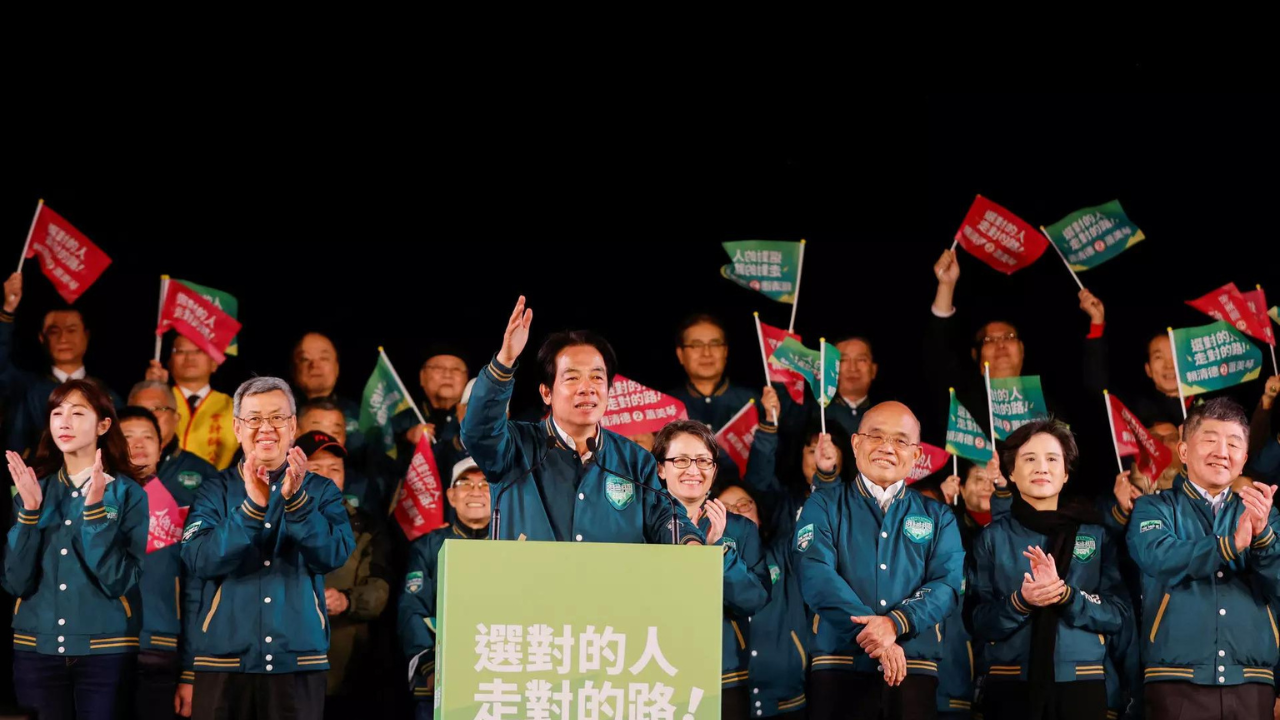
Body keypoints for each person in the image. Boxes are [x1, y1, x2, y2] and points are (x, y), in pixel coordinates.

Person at [460, 296, 701, 544]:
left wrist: (689, 540)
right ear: (546, 392)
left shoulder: (634, 461)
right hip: (529, 582)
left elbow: (665, 517)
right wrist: (504, 362)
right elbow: (478, 431)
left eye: (597, 378)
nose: (587, 388)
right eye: (572, 378)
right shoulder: (514, 447)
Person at [180, 377, 355, 719]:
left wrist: (297, 502)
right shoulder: (214, 491)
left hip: (298, 659)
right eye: (254, 418)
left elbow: (333, 554)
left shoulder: (320, 491)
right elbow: (199, 559)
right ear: (236, 427)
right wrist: (251, 510)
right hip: (223, 662)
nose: (266, 428)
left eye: (276, 418)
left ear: (292, 427)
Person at [797, 401, 964, 720]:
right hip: (838, 667)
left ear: (916, 454)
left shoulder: (939, 516)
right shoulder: (823, 504)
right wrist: (878, 637)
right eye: (876, 436)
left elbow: (947, 584)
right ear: (856, 443)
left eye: (901, 440)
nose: (888, 447)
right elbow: (815, 574)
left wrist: (895, 623)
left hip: (914, 668)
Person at [4, 379, 148, 720]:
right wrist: (28, 513)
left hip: (106, 650)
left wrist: (95, 509)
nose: (64, 422)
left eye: (77, 412)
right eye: (57, 413)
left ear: (103, 424)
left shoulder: (127, 493)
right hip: (36, 648)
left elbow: (119, 580)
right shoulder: (32, 490)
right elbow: (15, 582)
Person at [1128, 397, 1280, 719]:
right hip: (1175, 681)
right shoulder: (1153, 507)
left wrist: (1263, 537)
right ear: (1183, 451)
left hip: (1253, 681)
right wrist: (1229, 545)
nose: (1221, 452)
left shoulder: (1263, 514)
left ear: (1244, 459)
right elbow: (1158, 556)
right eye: (1209, 440)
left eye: (1233, 443)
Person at [969, 418, 1130, 720]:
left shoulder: (1095, 534)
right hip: (1009, 683)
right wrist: (1021, 602)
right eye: (1029, 459)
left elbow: (1117, 614)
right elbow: (977, 621)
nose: (1041, 467)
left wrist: (1067, 596)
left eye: (1052, 459)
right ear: (1012, 473)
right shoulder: (992, 537)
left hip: (1081, 682)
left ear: (1066, 472)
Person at [723, 387, 829, 718]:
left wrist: (825, 475)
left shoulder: (785, 552)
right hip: (727, 697)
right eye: (727, 509)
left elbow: (822, 518)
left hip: (788, 699)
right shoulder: (700, 561)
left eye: (745, 505)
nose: (738, 513)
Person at [653, 420, 770, 719]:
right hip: (654, 668)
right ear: (661, 469)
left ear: (714, 469)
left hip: (724, 670)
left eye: (704, 461)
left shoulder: (740, 529)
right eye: (680, 460)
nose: (694, 470)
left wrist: (717, 554)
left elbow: (754, 599)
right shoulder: (641, 521)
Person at [293, 430, 392, 714]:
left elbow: (379, 585)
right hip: (280, 668)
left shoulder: (366, 526)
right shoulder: (270, 519)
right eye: (315, 468)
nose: (326, 476)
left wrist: (347, 600)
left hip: (344, 668)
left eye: (334, 469)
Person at [118, 406, 204, 720]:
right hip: (96, 649)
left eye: (148, 437)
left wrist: (190, 672)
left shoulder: (177, 511)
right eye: (127, 437)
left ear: (160, 447)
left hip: (158, 647)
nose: (139, 444)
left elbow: (194, 594)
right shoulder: (90, 502)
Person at [398, 458, 491, 719]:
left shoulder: (513, 543)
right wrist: (429, 666)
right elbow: (412, 609)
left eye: (485, 483)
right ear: (451, 496)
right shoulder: (427, 547)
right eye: (465, 483)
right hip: (440, 677)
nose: (475, 491)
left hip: (499, 675)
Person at [0, 273, 121, 456]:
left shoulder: (105, 394)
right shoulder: (27, 388)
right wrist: (7, 311)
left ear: (86, 336)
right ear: (42, 338)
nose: (63, 338)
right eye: (54, 331)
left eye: (71, 330)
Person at [144, 334, 238, 469]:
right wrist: (150, 389)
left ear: (214, 363)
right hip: (162, 483)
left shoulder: (235, 407)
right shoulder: (159, 401)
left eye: (199, 350)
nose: (189, 357)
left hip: (215, 486)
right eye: (180, 351)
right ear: (169, 362)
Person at [127, 381, 221, 496]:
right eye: (140, 410)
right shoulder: (109, 469)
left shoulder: (204, 472)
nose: (149, 416)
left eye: (157, 408)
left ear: (176, 418)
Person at [291, 332, 362, 451]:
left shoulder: (359, 414)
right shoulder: (281, 414)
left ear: (337, 367)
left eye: (324, 358)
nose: (314, 365)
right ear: (293, 369)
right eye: (304, 359)